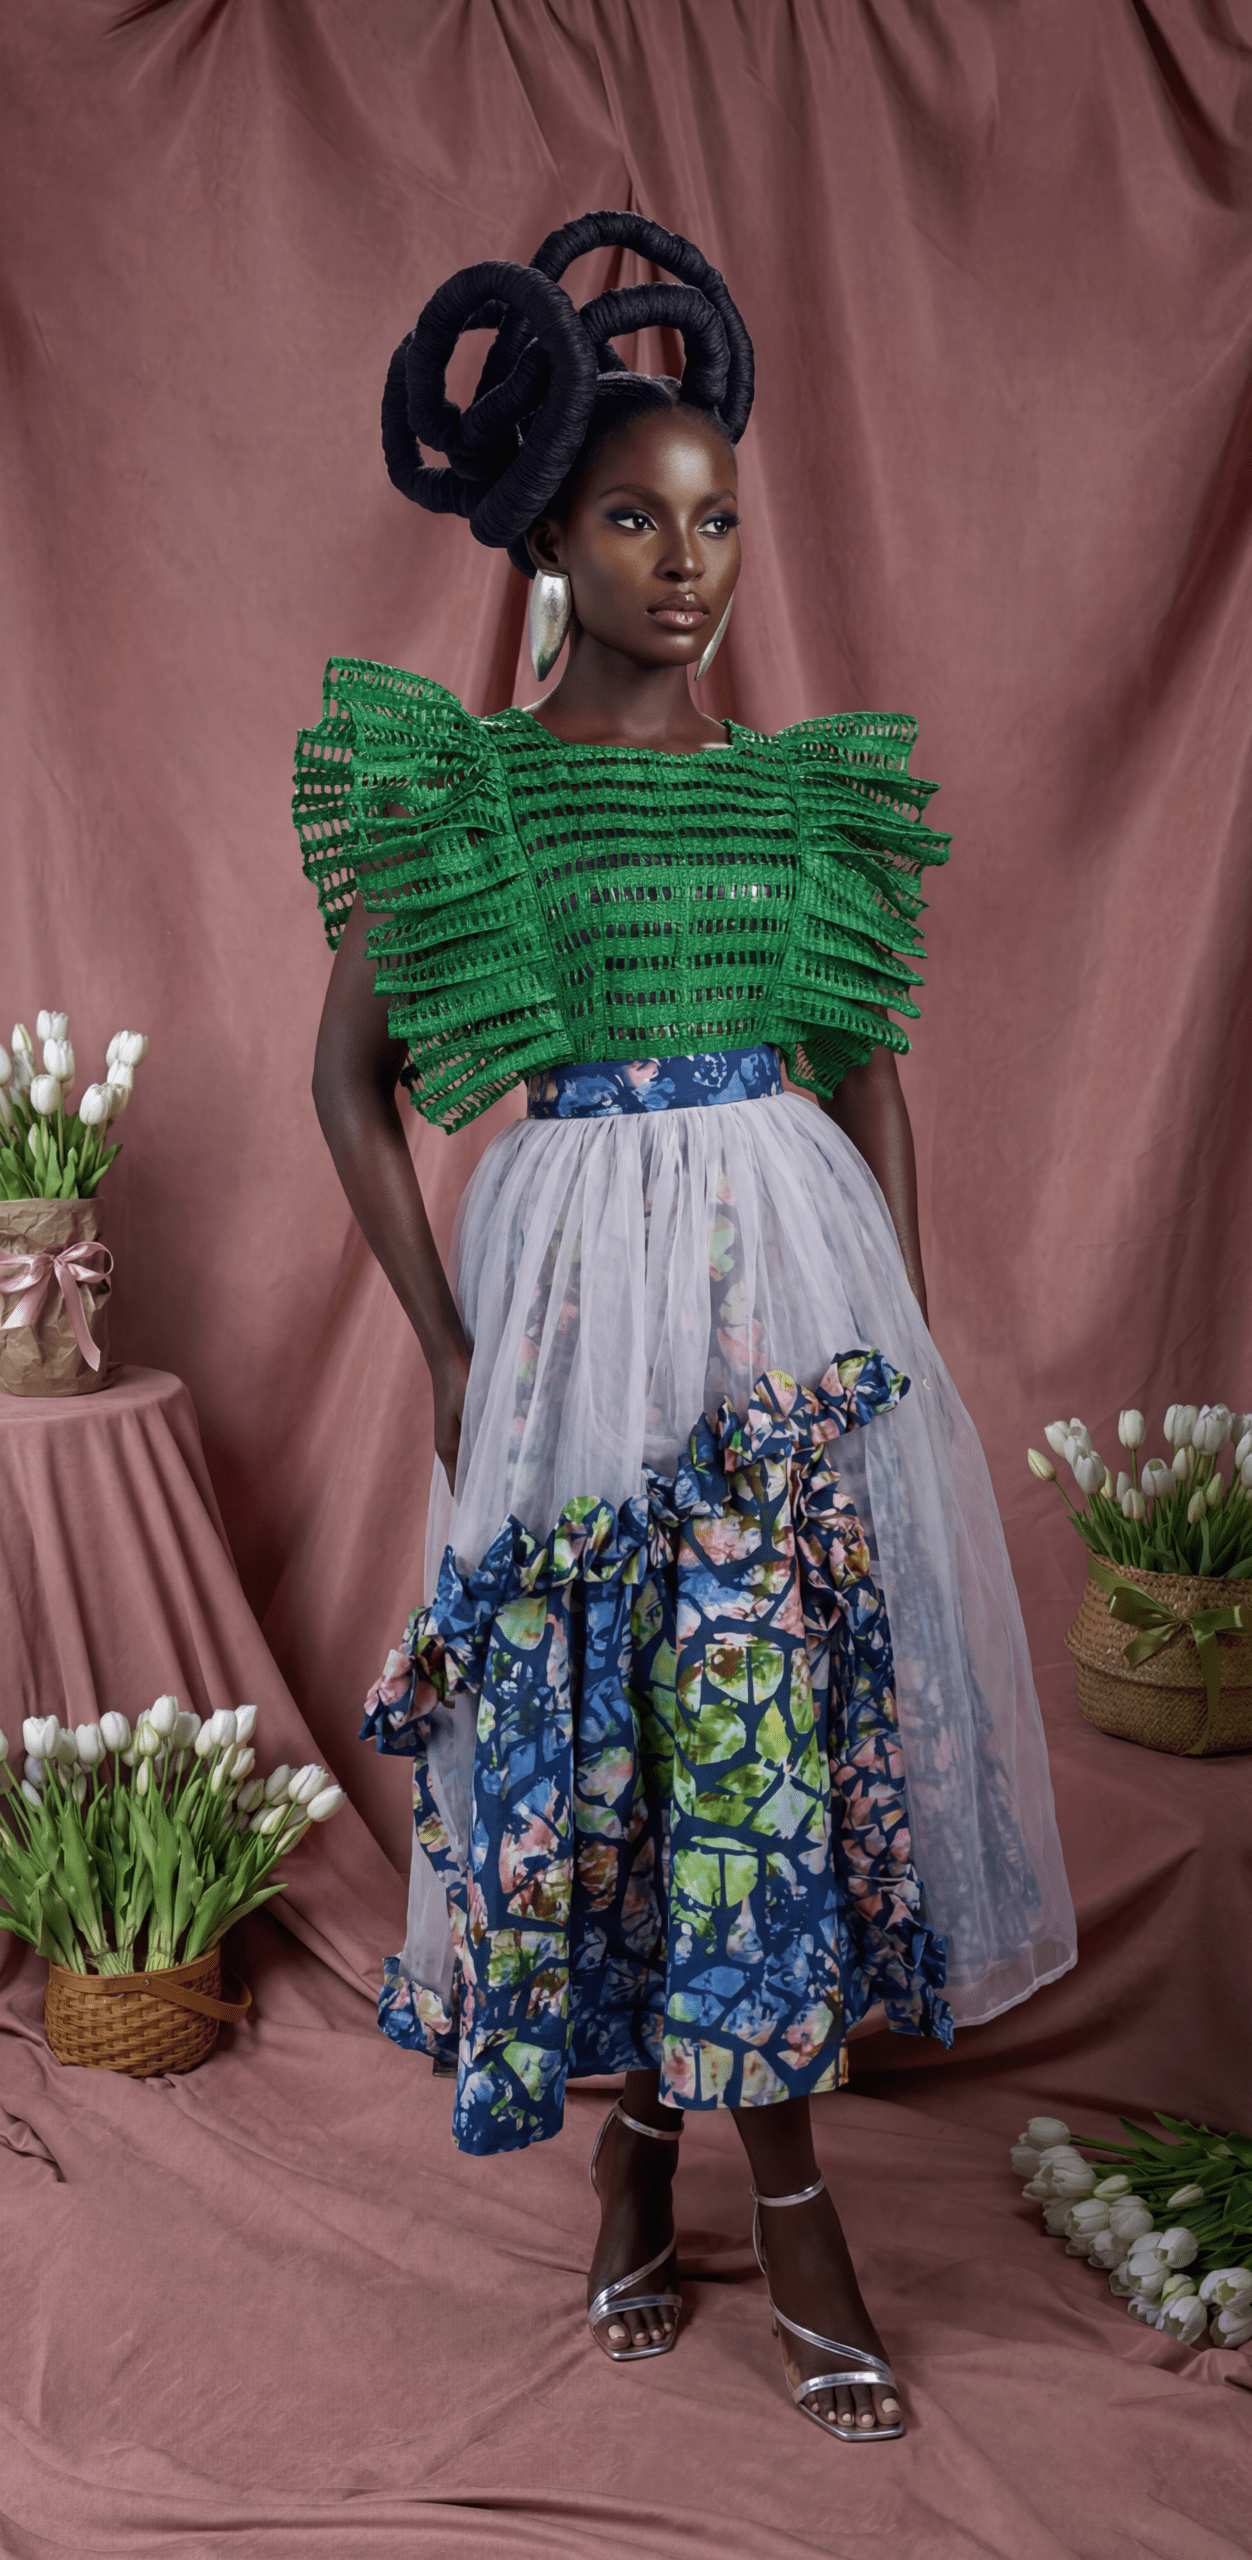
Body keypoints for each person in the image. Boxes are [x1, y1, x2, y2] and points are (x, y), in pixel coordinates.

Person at [295, 210, 1075, 2442]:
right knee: (614, 1739)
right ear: (547, 535)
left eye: (718, 518)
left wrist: (896, 1336)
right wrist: (448, 1351)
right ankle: (665, 2159)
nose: (688, 563)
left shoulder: (789, 794)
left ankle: (724, 2168)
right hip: (572, 1320)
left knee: (761, 1730)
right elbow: (344, 1082)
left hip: (783, 1311)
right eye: (637, 519)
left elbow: (867, 1078)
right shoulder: (478, 792)